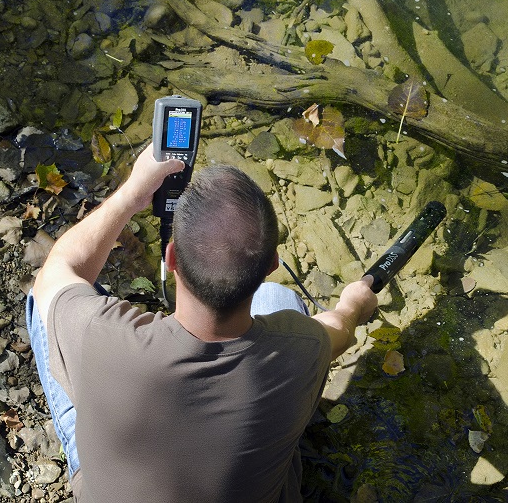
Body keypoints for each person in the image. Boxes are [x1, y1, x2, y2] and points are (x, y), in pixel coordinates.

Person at [27, 145, 378, 502]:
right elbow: (341, 329)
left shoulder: (104, 337)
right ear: (272, 263)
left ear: (172, 257)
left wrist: (132, 194)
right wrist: (354, 304)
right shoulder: (304, 349)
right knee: (279, 299)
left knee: (50, 303)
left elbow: (55, 271)